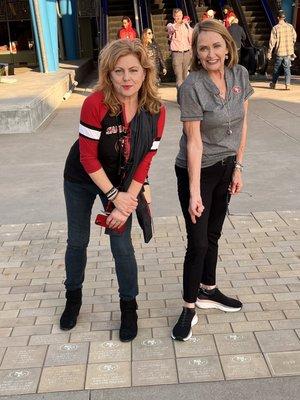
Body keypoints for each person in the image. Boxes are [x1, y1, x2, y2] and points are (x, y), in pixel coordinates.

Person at [60, 39, 166, 342]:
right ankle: (73, 298)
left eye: (134, 70)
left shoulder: (156, 111)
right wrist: (113, 198)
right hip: (82, 177)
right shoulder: (95, 104)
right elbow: (87, 157)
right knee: (77, 240)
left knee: (121, 246)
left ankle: (129, 306)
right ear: (109, 74)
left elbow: (146, 158)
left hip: (122, 179)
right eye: (118, 71)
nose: (127, 78)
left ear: (145, 73)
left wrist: (128, 200)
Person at [171, 19, 254, 341]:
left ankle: (209, 289)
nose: (210, 54)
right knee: (199, 241)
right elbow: (193, 141)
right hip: (197, 170)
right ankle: (188, 307)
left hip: (226, 165)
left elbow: (244, 123)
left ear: (227, 46)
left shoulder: (240, 75)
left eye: (216, 46)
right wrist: (194, 192)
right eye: (203, 48)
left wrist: (238, 167)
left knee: (214, 234)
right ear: (195, 52)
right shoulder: (191, 86)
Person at [267, 10, 297, 90]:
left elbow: (272, 42)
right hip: (288, 52)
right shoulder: (290, 26)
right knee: (287, 68)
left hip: (279, 52)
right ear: (284, 18)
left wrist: (269, 52)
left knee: (276, 69)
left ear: (278, 18)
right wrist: (291, 44)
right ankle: (287, 85)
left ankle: (273, 84)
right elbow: (294, 37)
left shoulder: (275, 28)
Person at [167, 8, 193, 88]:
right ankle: (181, 97)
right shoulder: (170, 25)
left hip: (187, 52)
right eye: (176, 16)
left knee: (186, 76)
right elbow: (172, 29)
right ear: (173, 16)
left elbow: (191, 37)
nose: (178, 17)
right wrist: (180, 23)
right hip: (177, 53)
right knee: (179, 78)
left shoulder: (186, 25)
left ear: (182, 15)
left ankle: (186, 96)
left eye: (180, 15)